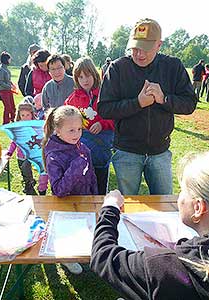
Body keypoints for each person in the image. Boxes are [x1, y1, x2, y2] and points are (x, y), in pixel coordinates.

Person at [98, 18, 197, 195]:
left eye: (146, 48)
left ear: (159, 45)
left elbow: (189, 104)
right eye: (135, 48)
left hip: (160, 152)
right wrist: (138, 103)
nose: (139, 54)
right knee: (126, 206)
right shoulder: (117, 68)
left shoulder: (173, 66)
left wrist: (163, 98)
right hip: (126, 151)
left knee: (165, 206)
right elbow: (105, 109)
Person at [90, 151, 209, 300]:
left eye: (183, 191)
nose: (179, 196)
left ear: (198, 208)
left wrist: (110, 208)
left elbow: (103, 257)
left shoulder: (162, 268)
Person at [42, 105, 98, 275]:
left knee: (84, 231)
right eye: (71, 130)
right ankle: (67, 258)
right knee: (68, 234)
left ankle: (82, 252)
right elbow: (58, 189)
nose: (77, 134)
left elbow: (91, 175)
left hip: (85, 200)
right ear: (57, 130)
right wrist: (76, 165)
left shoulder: (83, 148)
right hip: (65, 206)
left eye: (79, 129)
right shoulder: (54, 155)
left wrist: (95, 196)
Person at [65, 56, 114, 194]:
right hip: (81, 149)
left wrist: (102, 124)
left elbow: (115, 117)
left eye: (87, 75)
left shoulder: (105, 94)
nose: (84, 80)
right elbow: (65, 116)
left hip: (101, 146)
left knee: (100, 182)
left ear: (94, 74)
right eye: (80, 77)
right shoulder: (73, 98)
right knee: (83, 185)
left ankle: (100, 208)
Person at [0, 51, 16, 124]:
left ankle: (13, 120)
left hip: (8, 90)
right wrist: (9, 87)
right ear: (6, 59)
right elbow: (1, 82)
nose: (10, 60)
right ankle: (5, 122)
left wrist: (12, 85)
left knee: (12, 106)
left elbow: (7, 80)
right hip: (3, 91)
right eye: (9, 59)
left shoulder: (6, 68)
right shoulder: (1, 69)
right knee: (7, 107)